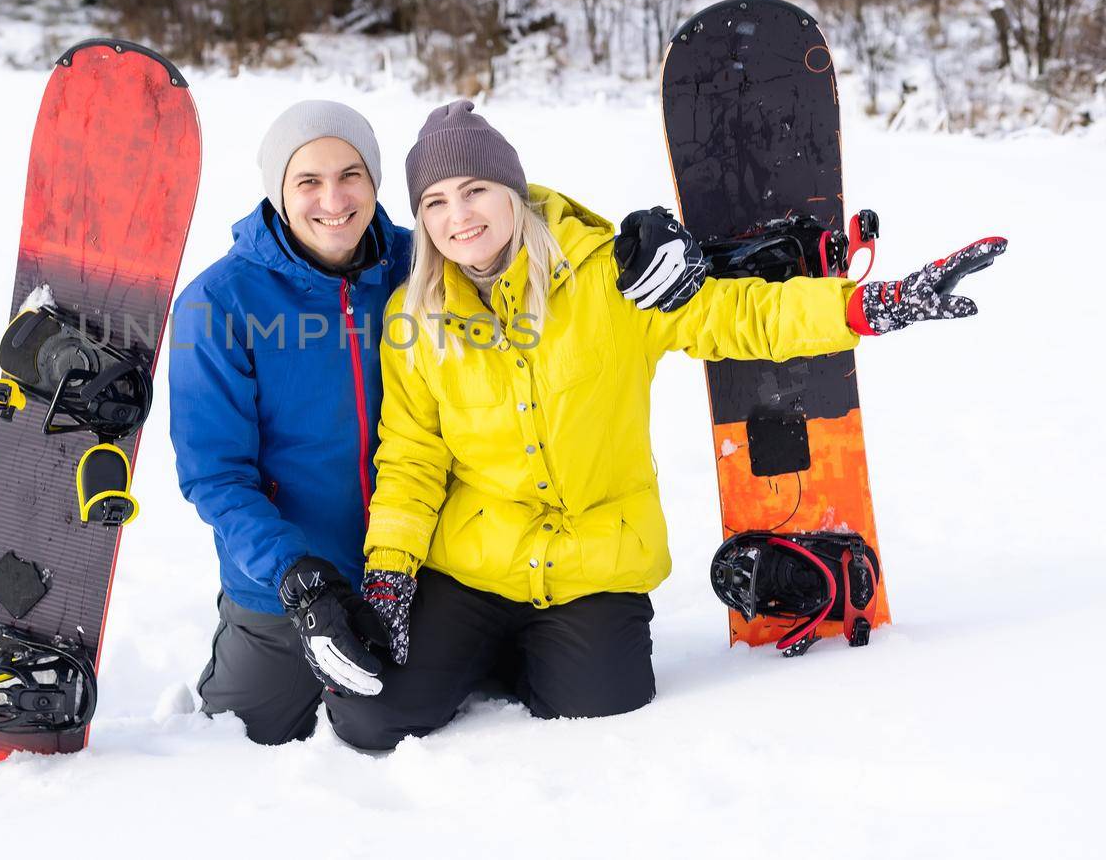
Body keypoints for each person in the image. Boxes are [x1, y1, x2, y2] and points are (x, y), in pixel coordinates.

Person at [324, 100, 1006, 752]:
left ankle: (512, 657)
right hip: (473, 565)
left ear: (512, 190)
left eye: (474, 190)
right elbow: (411, 460)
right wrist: (389, 576)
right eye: (435, 202)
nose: (458, 216)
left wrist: (864, 306)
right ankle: (478, 651)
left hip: (591, 560)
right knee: (367, 714)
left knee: (603, 699)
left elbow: (732, 316)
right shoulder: (415, 322)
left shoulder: (604, 280)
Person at [168, 100, 412, 744]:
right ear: (278, 191)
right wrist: (296, 576)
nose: (333, 198)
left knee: (428, 730)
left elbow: (505, 230)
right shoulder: (218, 302)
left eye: (351, 174)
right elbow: (215, 475)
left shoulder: (421, 267)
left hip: (415, 571)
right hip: (284, 587)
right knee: (241, 745)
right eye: (308, 180)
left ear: (374, 181)